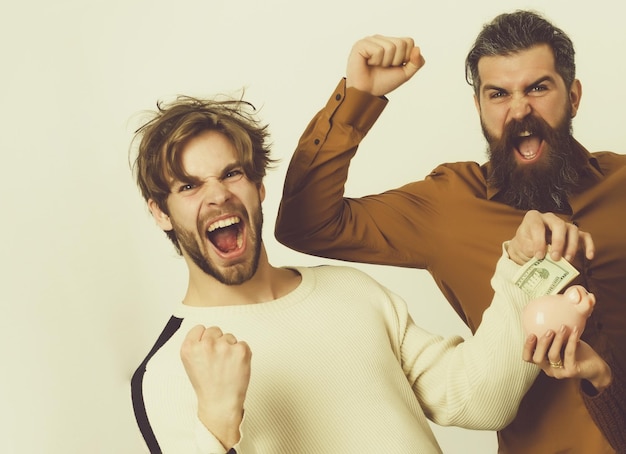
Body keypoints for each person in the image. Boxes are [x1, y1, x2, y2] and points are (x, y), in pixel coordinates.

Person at [126, 94, 588, 453]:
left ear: (258, 186)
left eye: (231, 175)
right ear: (160, 212)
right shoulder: (165, 372)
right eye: (188, 186)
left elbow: (479, 398)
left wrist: (528, 267)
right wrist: (217, 425)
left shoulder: (350, 291)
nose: (217, 197)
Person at [274, 10, 626, 453]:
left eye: (538, 88)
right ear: (479, 107)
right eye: (498, 94)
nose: (519, 110)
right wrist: (358, 97)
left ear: (573, 96)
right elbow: (307, 224)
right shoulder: (448, 205)